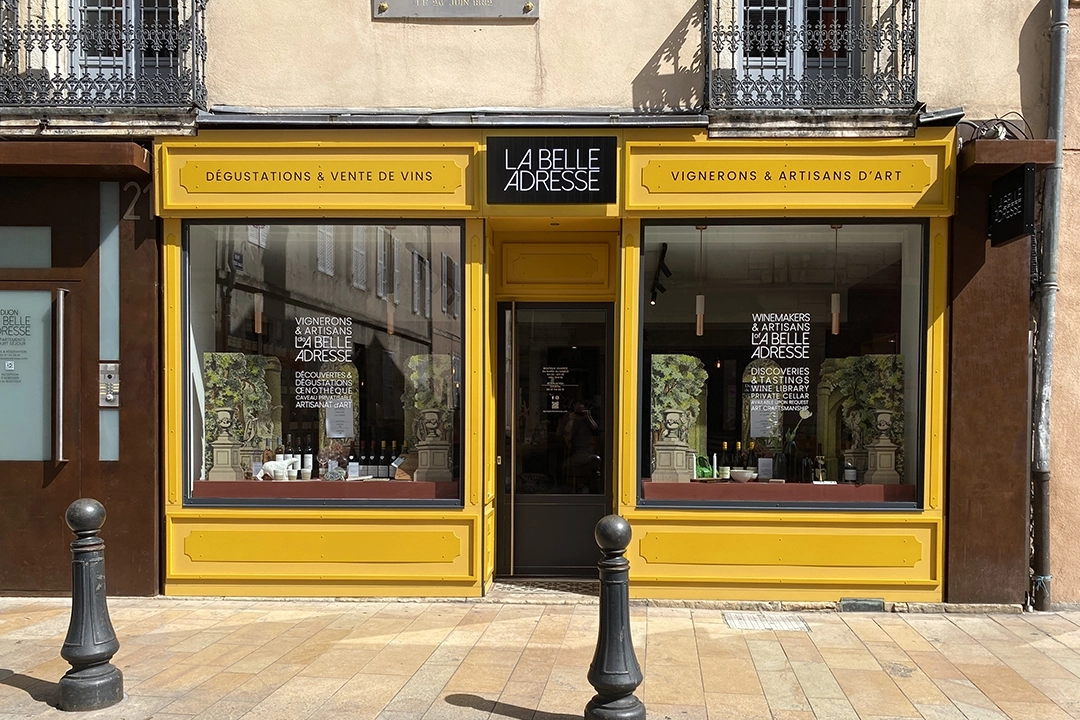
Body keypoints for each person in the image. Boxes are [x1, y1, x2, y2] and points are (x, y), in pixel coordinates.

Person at [559, 401, 600, 493]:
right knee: (565, 465)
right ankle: (578, 487)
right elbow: (566, 434)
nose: (579, 414)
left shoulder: (588, 420)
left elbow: (596, 430)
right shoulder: (570, 419)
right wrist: (571, 420)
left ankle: (579, 486)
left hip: (587, 452)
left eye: (582, 411)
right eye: (577, 411)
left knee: (565, 466)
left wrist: (588, 417)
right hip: (576, 452)